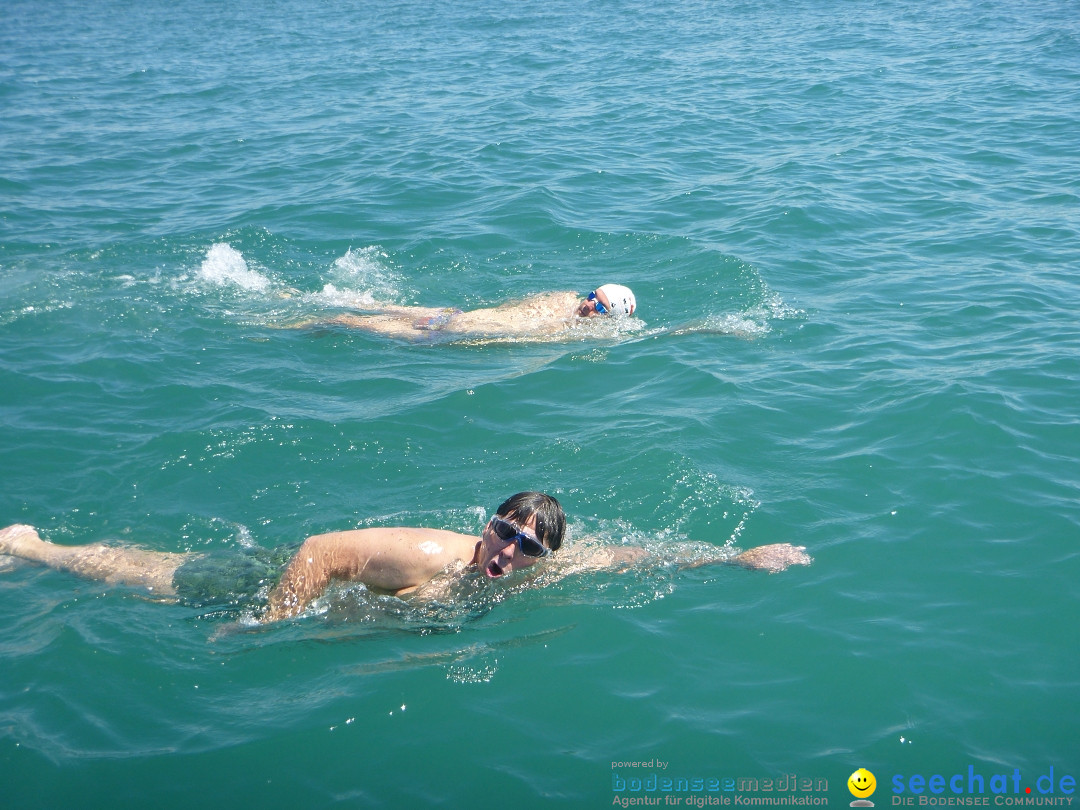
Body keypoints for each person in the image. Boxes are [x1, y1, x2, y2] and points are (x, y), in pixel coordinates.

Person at [0, 491, 811, 623]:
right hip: (285, 584)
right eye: (505, 530)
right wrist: (267, 620)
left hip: (342, 605)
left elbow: (638, 556)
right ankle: (32, 548)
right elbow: (321, 549)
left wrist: (737, 559)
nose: (510, 549)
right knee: (161, 579)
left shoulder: (546, 568)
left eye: (527, 546)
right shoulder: (431, 552)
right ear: (485, 523)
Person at [290, 283, 638, 341]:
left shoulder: (558, 304)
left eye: (600, 306)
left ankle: (293, 314)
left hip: (448, 320)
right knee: (360, 313)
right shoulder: (565, 324)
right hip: (442, 327)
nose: (589, 303)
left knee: (355, 317)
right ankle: (286, 319)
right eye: (593, 294)